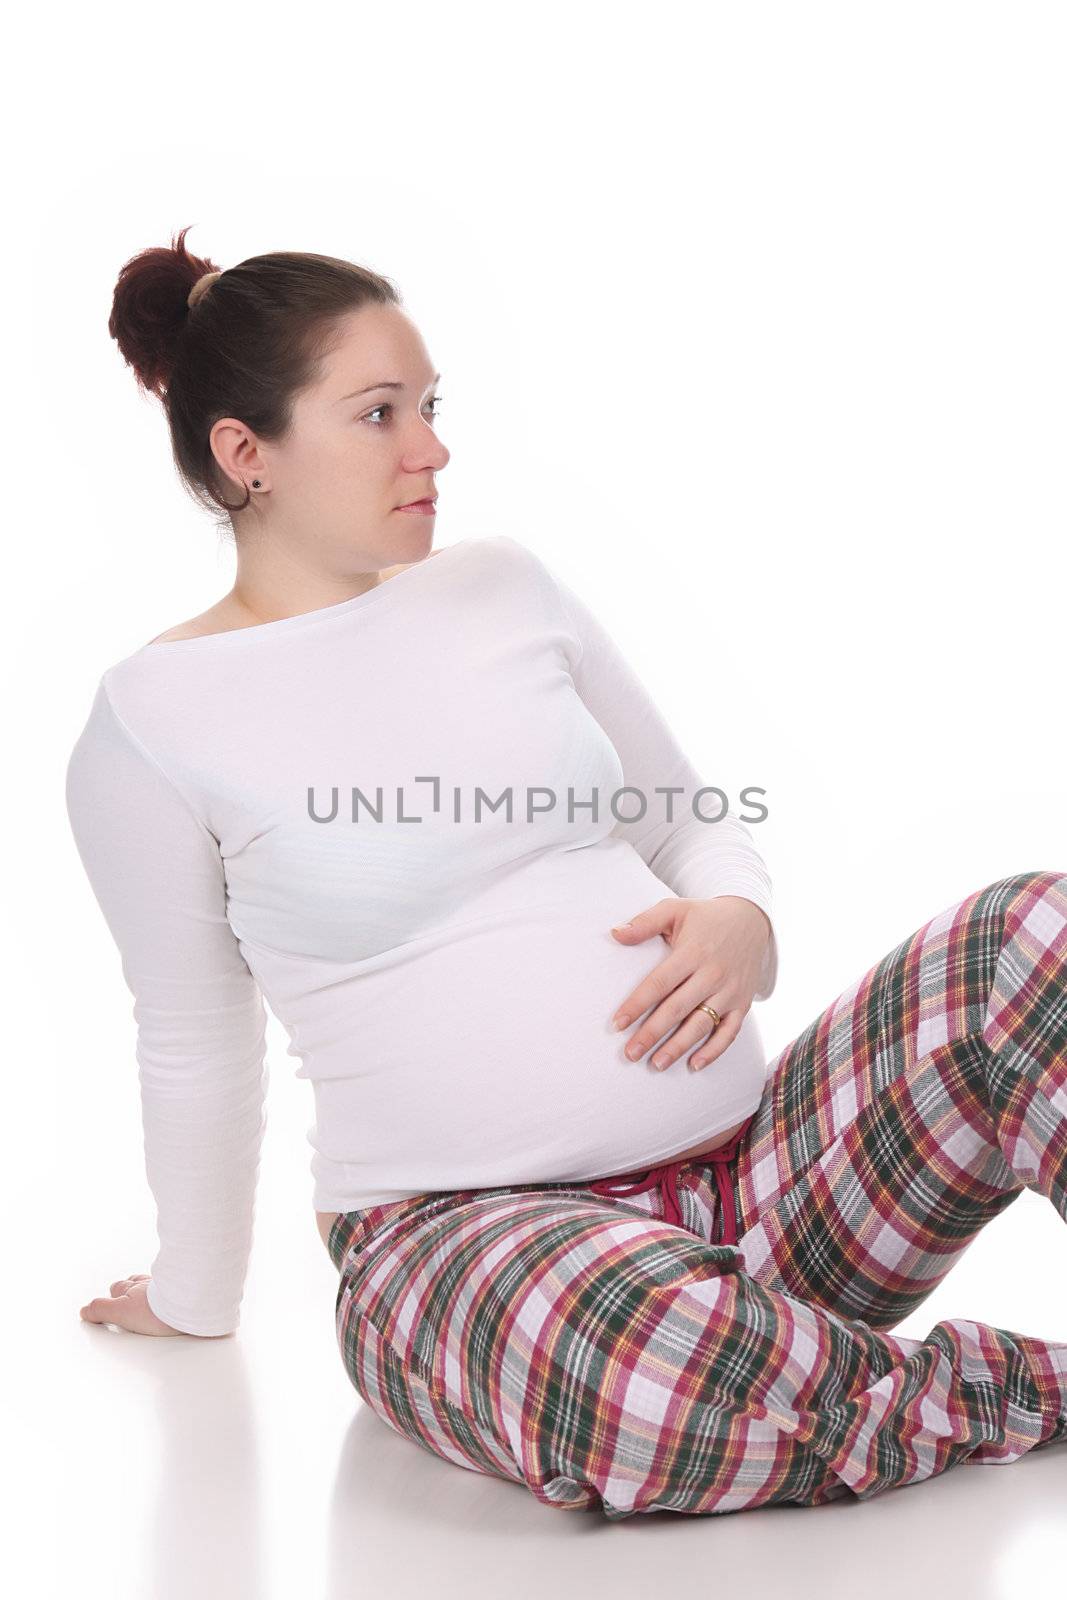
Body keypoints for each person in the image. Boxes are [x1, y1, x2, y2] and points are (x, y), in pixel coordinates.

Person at [65, 228, 1067, 1519]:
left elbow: (693, 819)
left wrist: (739, 916)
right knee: (635, 1375)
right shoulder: (153, 721)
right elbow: (194, 1041)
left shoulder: (505, 587)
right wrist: (193, 1296)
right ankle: (999, 1389)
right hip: (470, 1259)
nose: (430, 449)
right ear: (245, 454)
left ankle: (803, 1376)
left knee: (1032, 936)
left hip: (759, 1194)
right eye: (378, 415)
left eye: (430, 408)